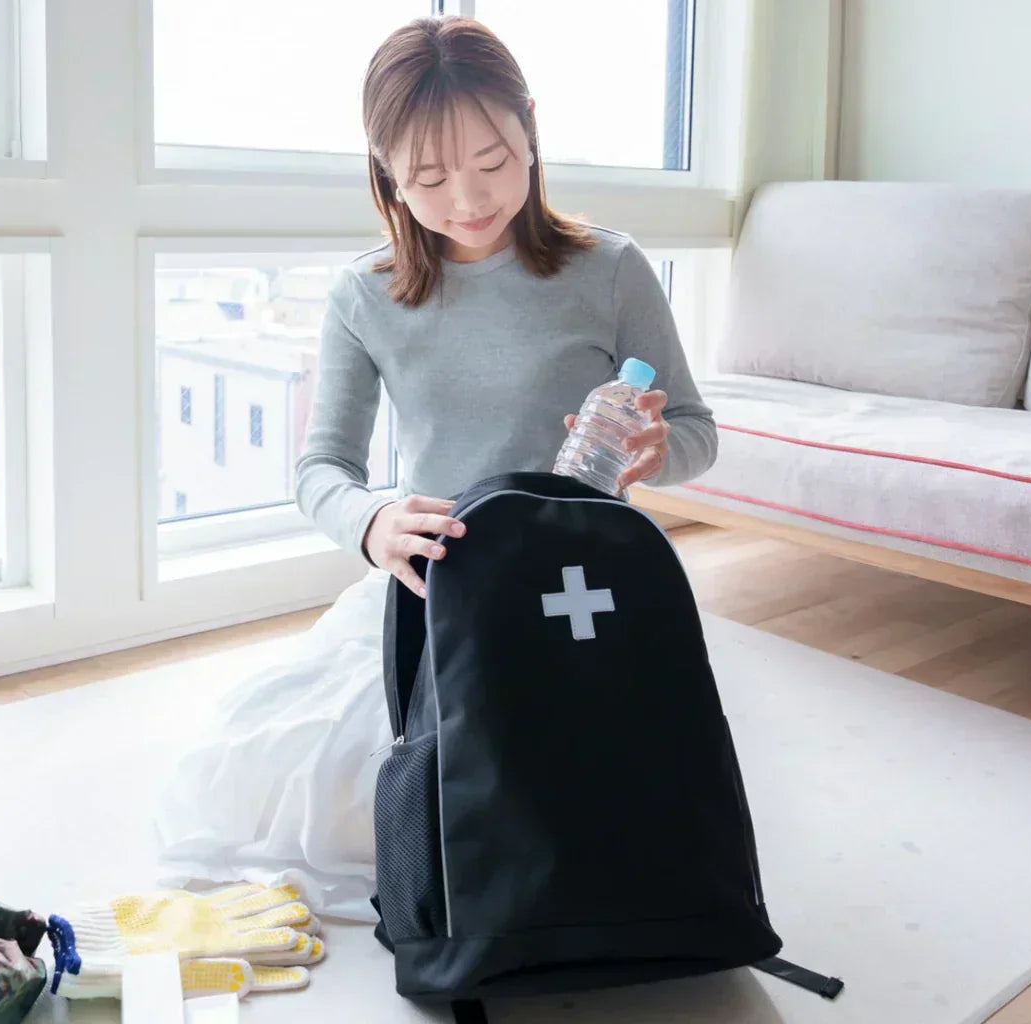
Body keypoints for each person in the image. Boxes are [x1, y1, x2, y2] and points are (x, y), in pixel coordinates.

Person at [149, 15, 718, 922]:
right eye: (427, 176)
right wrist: (373, 523)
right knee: (326, 801)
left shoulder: (610, 269)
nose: (466, 198)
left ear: (529, 126)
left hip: (581, 583)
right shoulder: (365, 295)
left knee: (599, 804)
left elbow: (694, 430)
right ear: (385, 173)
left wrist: (655, 450)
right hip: (443, 580)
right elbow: (321, 470)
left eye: (492, 160)